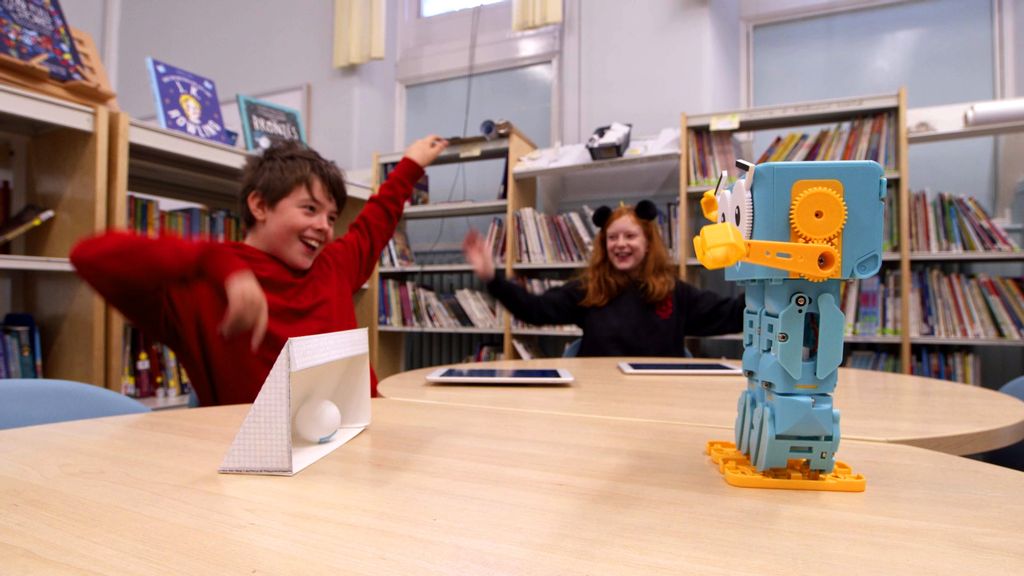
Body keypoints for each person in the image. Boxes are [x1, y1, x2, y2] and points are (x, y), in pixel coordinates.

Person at [72, 136, 449, 405]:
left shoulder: (334, 264)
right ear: (259, 205)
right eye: (309, 209)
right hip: (262, 484)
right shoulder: (201, 287)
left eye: (331, 216)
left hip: (359, 456)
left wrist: (410, 165)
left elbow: (375, 221)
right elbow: (90, 255)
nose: (324, 226)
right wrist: (217, 263)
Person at [462, 200, 743, 357]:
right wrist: (492, 278)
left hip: (658, 396)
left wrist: (774, 289)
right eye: (612, 237)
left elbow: (728, 314)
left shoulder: (675, 292)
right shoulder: (588, 290)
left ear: (648, 243)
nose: (620, 244)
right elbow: (536, 310)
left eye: (630, 236)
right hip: (598, 396)